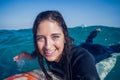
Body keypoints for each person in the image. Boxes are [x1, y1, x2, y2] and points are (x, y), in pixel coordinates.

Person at [13, 10, 100, 80]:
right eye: (40, 38)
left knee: (107, 48)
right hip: (79, 47)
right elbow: (37, 53)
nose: (47, 46)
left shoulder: (82, 59)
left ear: (65, 37)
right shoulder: (44, 51)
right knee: (88, 41)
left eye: (55, 36)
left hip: (96, 51)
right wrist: (29, 55)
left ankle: (94, 32)